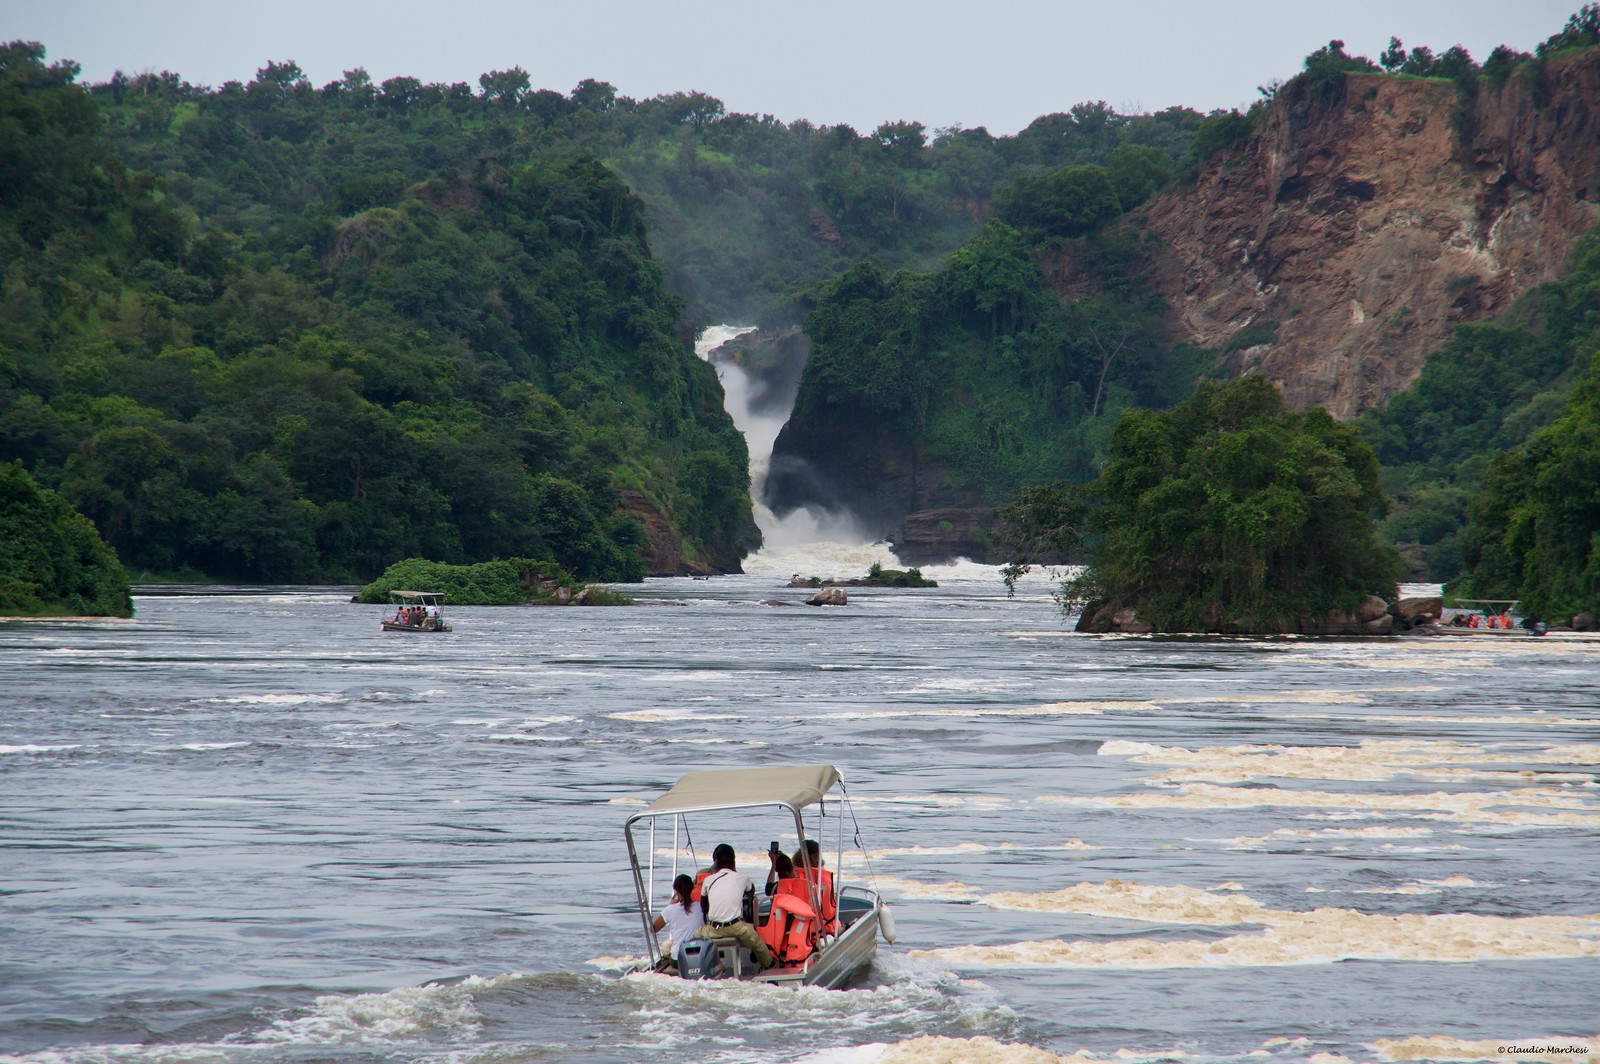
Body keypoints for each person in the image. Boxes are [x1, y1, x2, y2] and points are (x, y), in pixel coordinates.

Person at [697, 842, 774, 968]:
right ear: (733, 860)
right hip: (736, 927)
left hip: (713, 929)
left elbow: (704, 908)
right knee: (758, 944)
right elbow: (751, 892)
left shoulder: (708, 880)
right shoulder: (742, 878)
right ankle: (770, 967)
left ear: (715, 861)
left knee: (694, 937)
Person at [652, 873, 703, 958]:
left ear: (676, 891)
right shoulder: (702, 907)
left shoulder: (670, 909)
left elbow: (653, 929)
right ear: (692, 888)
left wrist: (670, 905)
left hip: (679, 957)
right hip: (699, 954)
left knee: (666, 949)